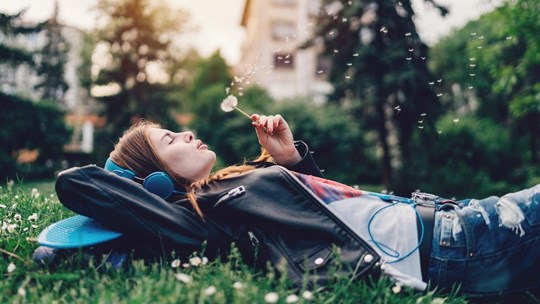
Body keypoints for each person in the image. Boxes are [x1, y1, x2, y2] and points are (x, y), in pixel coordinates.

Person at [54, 114, 540, 296]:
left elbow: (325, 219)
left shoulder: (229, 191)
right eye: (168, 138)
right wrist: (140, 190)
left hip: (449, 221)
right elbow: (78, 183)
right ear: (156, 179)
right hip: (444, 244)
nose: (185, 131)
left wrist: (289, 159)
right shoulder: (197, 219)